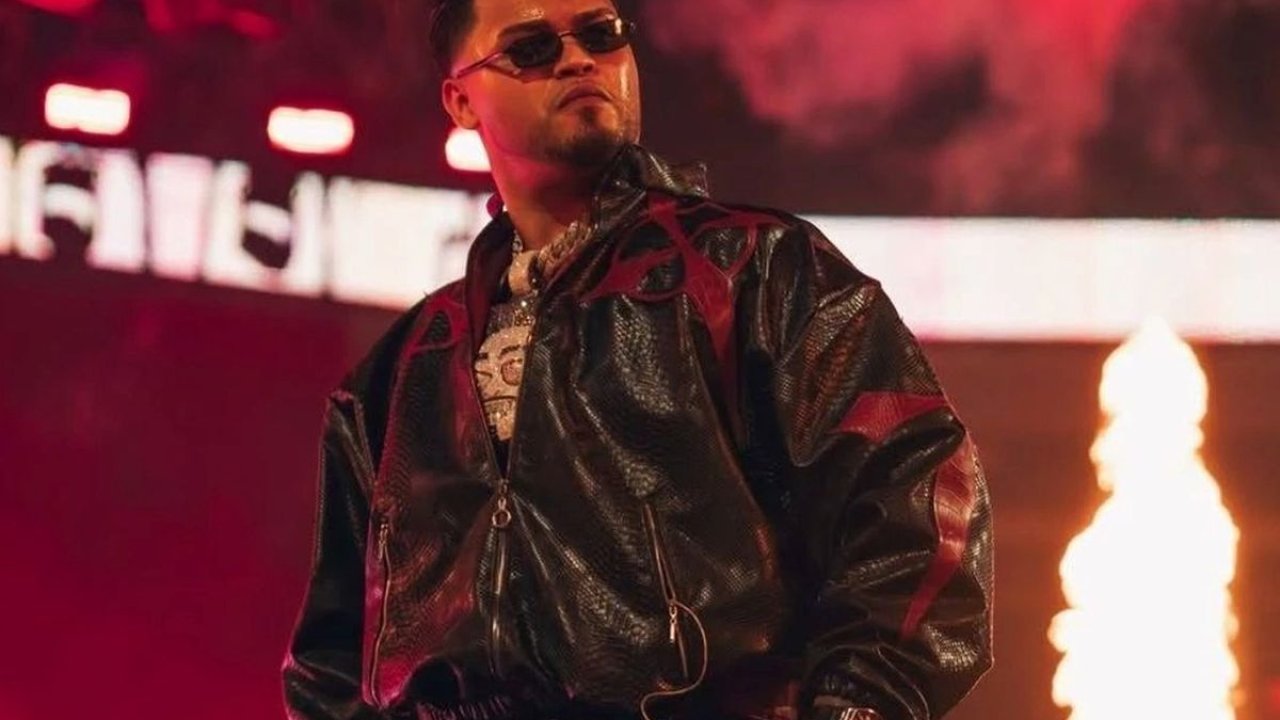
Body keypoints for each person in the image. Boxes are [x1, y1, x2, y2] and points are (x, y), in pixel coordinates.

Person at [281, 0, 993, 718]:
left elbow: (919, 509)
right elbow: (330, 668)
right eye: (531, 48)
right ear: (461, 100)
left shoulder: (756, 270)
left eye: (601, 35)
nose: (577, 59)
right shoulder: (393, 377)